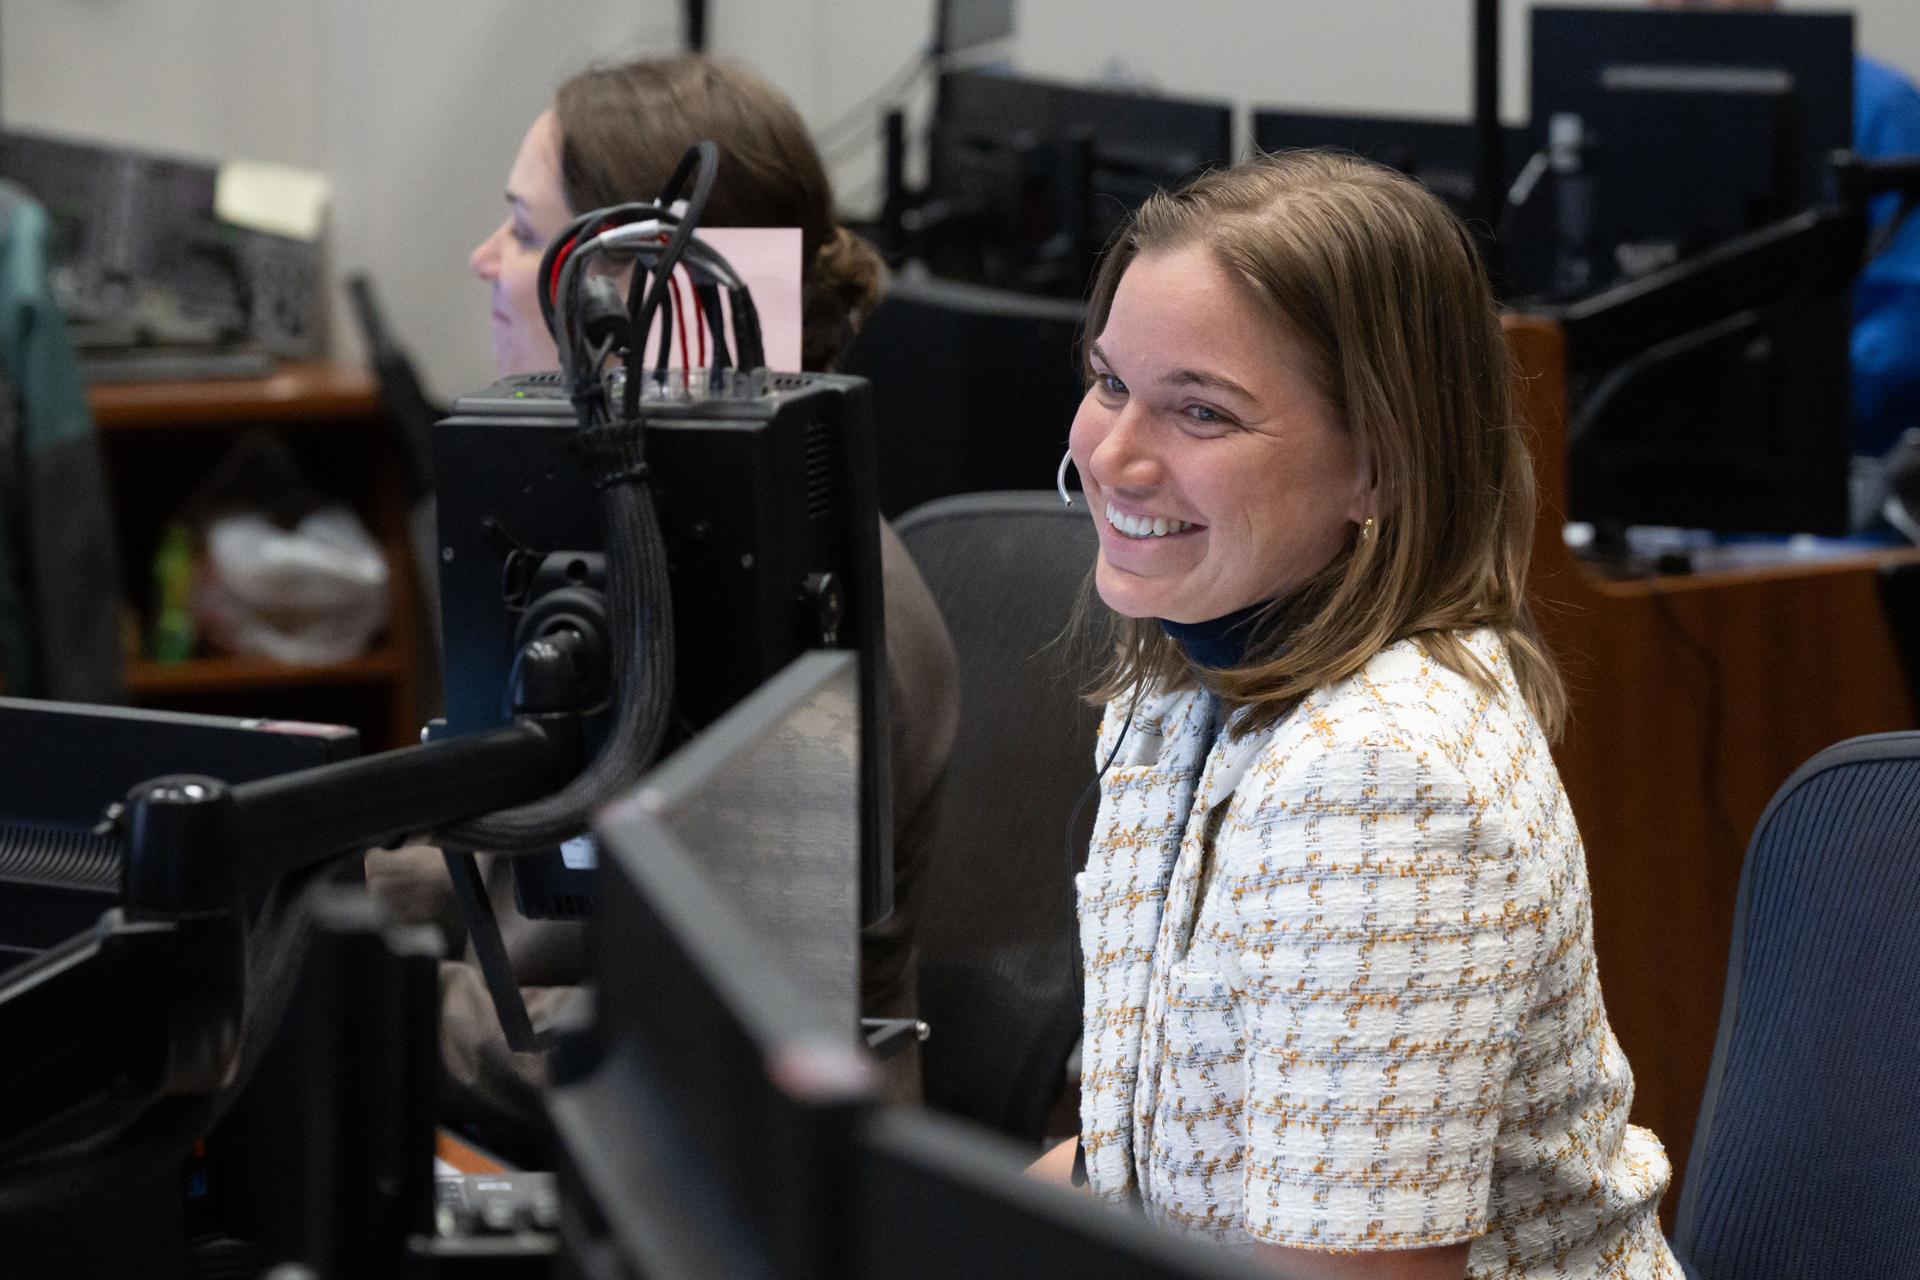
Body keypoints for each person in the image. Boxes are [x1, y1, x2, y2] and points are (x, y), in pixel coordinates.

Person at [1038, 151, 1681, 1278]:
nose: (1114, 456)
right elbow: (1142, 1156)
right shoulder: (1187, 679)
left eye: (1200, 410)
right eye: (1109, 384)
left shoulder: (1379, 781)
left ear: (1378, 464)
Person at [368, 54, 959, 1121]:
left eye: (521, 227)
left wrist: (344, 988)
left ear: (641, 285)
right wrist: (306, 892)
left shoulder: (796, 612)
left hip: (739, 1187)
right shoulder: (640, 537)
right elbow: (525, 874)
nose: (483, 260)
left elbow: (670, 1053)